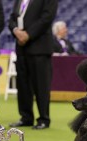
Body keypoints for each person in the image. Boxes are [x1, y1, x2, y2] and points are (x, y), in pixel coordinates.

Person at [8, 0, 58, 130]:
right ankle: (26, 117)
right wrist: (15, 30)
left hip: (39, 47)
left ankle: (43, 118)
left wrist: (28, 35)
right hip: (21, 47)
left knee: (41, 85)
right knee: (23, 84)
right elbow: (13, 18)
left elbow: (46, 18)